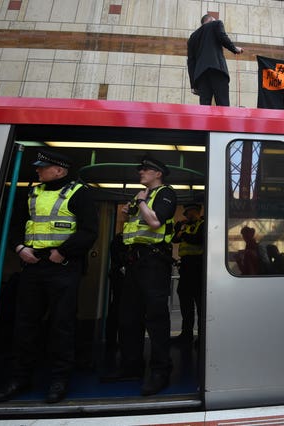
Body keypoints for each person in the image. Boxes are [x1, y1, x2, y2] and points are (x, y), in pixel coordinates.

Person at [0, 150, 97, 404]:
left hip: (63, 267)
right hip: (32, 265)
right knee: (25, 324)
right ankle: (20, 377)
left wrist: (62, 252)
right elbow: (16, 224)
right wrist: (19, 248)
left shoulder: (79, 193)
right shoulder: (31, 193)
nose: (38, 170)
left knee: (62, 325)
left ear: (59, 170)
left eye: (43, 167)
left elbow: (89, 230)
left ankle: (59, 380)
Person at [110, 156, 177, 396]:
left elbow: (155, 223)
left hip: (154, 262)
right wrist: (129, 210)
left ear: (158, 174)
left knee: (156, 318)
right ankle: (131, 366)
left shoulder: (166, 194)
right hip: (134, 261)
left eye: (145, 169)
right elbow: (127, 229)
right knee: (128, 317)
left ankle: (160, 371)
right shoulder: (139, 197)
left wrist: (141, 203)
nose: (141, 172)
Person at [187, 14, 244, 106]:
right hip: (217, 69)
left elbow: (191, 62)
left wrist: (193, 85)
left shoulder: (192, 37)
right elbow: (222, 37)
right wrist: (234, 48)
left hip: (201, 75)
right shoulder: (216, 24)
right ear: (211, 20)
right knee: (223, 105)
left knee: (204, 107)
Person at [171, 203, 204, 345]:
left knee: (200, 305)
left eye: (187, 213)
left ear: (194, 212)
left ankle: (202, 338)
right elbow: (175, 239)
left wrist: (183, 233)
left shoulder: (203, 225)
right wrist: (179, 229)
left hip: (197, 267)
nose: (186, 216)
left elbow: (198, 239)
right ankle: (186, 335)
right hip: (186, 267)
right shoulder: (186, 226)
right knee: (185, 304)